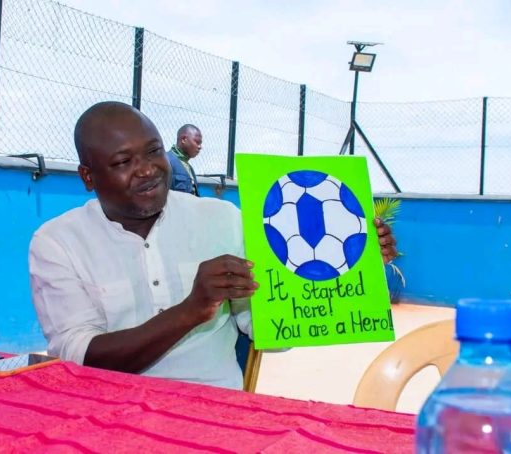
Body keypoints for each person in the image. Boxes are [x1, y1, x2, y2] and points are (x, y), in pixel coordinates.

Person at [29, 101, 398, 390]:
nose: (148, 169)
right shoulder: (58, 243)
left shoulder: (223, 219)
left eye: (154, 151)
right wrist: (191, 310)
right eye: (124, 161)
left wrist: (353, 261)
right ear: (88, 177)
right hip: (106, 411)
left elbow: (273, 330)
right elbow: (78, 357)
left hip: (213, 407)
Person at [167, 124, 201, 195]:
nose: (200, 147)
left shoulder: (189, 168)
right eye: (197, 142)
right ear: (184, 139)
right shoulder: (166, 161)